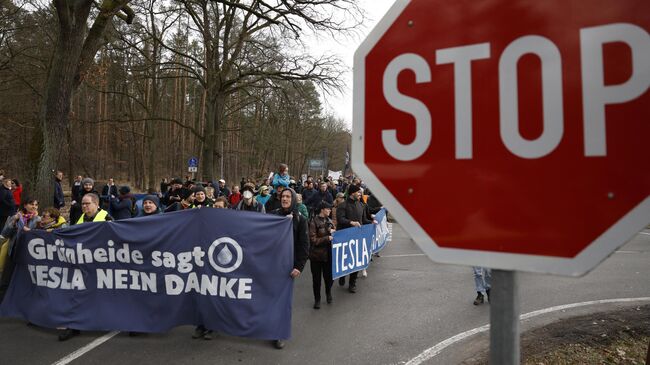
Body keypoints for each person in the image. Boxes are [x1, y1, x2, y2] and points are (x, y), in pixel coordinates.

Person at [270, 188, 309, 349]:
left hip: (287, 267)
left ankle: (279, 333)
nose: (285, 199)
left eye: (288, 196)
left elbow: (304, 245)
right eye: (283, 196)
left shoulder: (300, 219)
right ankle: (267, 328)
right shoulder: (273, 215)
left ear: (293, 199)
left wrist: (299, 266)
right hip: (270, 264)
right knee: (269, 299)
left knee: (283, 301)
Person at [0, 198, 41, 304]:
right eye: (31, 204)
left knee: (25, 281)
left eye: (36, 205)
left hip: (28, 255)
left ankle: (21, 303)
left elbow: (38, 235)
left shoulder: (38, 219)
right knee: (6, 279)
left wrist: (32, 226)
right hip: (13, 251)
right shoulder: (15, 217)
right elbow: (5, 233)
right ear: (25, 206)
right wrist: (14, 221)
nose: (34, 207)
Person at [335, 184, 373, 293]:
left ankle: (352, 283)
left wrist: (373, 222)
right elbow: (340, 219)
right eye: (358, 192)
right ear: (352, 193)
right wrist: (351, 222)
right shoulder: (342, 205)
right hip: (345, 237)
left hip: (358, 237)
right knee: (346, 259)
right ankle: (342, 275)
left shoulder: (361, 205)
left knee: (356, 260)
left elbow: (364, 220)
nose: (360, 194)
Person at [308, 201, 335, 309]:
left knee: (329, 278)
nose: (330, 210)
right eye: (328, 209)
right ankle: (317, 299)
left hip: (328, 255)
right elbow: (313, 240)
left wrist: (333, 232)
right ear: (322, 209)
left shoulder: (330, 221)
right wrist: (326, 238)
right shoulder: (313, 222)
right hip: (316, 256)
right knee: (316, 280)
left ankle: (328, 293)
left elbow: (335, 236)